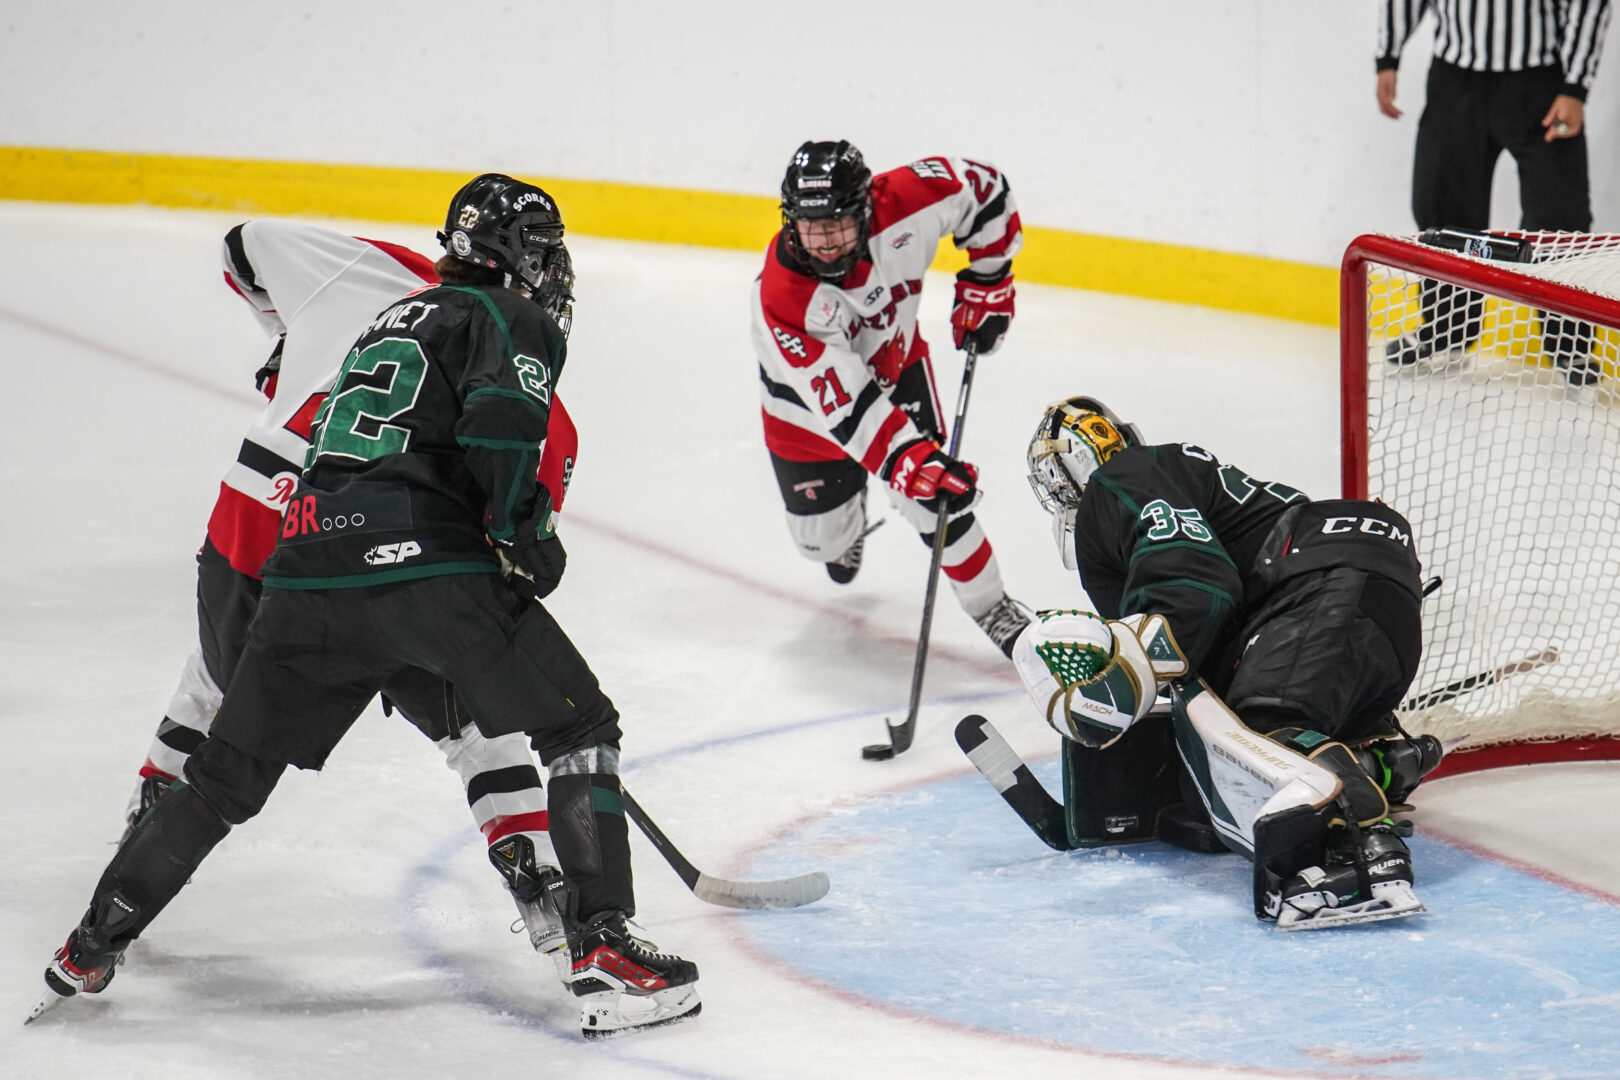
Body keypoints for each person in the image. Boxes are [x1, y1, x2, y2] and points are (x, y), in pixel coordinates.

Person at [40, 174, 700, 1038]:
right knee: (579, 727)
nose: (551, 268)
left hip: (302, 571)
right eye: (540, 249)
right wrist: (526, 538)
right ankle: (602, 946)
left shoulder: (380, 323)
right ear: (512, 256)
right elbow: (502, 430)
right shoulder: (509, 318)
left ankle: (90, 943)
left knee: (223, 777)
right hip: (423, 568)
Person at [118, 216, 580, 982]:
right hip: (387, 556)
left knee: (213, 681)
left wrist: (288, 345)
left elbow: (243, 244)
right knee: (481, 724)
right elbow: (511, 544)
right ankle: (547, 892)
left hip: (254, 519)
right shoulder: (542, 402)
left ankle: (144, 840)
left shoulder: (378, 270)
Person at [1014, 396, 1444, 929]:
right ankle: (1381, 756)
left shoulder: (1120, 481)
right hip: (1373, 600)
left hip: (1320, 594)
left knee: (1260, 738)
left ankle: (1361, 844)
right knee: (1262, 726)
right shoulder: (1178, 479)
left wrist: (1128, 676)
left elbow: (1195, 589)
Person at [750, 139, 1031, 656]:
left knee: (934, 497)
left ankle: (993, 608)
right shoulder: (783, 296)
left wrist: (988, 278)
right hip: (806, 416)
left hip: (897, 369)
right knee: (823, 546)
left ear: (866, 208)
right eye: (811, 228)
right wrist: (902, 459)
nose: (825, 244)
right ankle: (850, 499)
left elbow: (985, 191)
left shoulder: (908, 199)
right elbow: (850, 407)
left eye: (837, 225)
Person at [1376, 0, 1612, 383]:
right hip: (1455, 81)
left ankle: (1572, 348)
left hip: (1540, 83)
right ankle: (1445, 332)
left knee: (1559, 220)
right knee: (1443, 210)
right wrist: (1388, 56)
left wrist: (1575, 86)